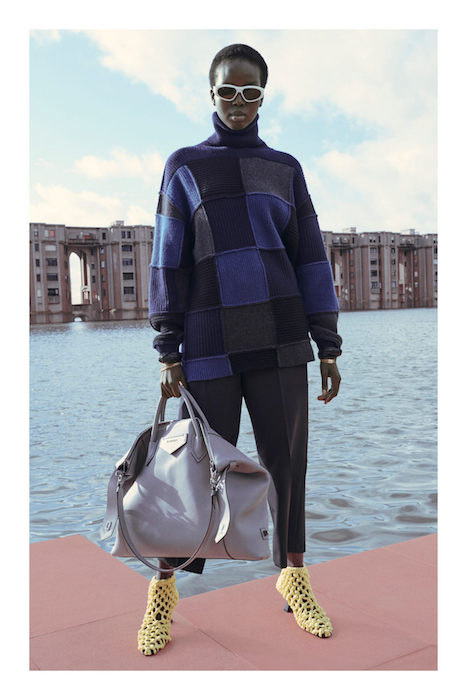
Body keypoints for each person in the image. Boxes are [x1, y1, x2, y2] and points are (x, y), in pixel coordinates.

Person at [137, 43, 342, 656]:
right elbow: (167, 261)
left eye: (251, 92)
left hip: (282, 339)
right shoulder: (184, 167)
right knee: (192, 475)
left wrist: (328, 344)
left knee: (287, 467)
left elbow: (310, 257)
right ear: (212, 93)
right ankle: (163, 591)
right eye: (228, 90)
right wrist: (167, 348)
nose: (238, 102)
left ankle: (294, 578)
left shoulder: (285, 169)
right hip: (208, 344)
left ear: (262, 97)